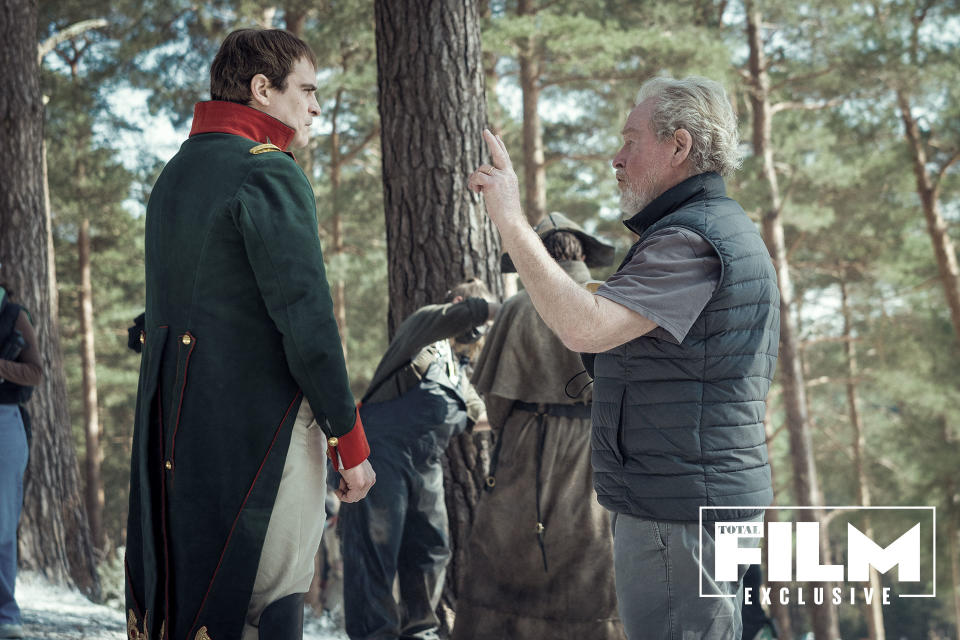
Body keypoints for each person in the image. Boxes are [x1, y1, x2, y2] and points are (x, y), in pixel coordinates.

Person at [468, 75, 779, 640]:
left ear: (679, 146)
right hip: (693, 498)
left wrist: (511, 222)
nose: (616, 157)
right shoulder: (712, 230)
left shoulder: (689, 240)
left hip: (676, 510)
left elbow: (584, 329)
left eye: (630, 140)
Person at [124, 29, 375, 640]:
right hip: (261, 431)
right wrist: (351, 442)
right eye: (308, 91)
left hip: (177, 432)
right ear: (263, 90)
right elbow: (307, 321)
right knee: (270, 598)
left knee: (189, 597)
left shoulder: (177, 171)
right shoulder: (268, 173)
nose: (316, 108)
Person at [452, 214, 625, 640]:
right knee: (596, 553)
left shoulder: (517, 306)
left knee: (509, 551)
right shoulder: (613, 298)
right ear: (581, 252)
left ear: (538, 256)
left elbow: (494, 400)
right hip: (599, 449)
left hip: (527, 444)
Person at [337, 279, 497, 640]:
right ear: (458, 304)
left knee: (432, 548)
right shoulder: (423, 328)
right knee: (375, 550)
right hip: (381, 454)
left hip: (427, 464)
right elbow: (475, 311)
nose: (483, 325)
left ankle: (421, 632)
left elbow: (481, 416)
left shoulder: (459, 373)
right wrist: (507, 310)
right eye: (481, 311)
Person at [0, 281, 41, 640]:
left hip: (3, 419)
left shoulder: (13, 315)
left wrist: (1, 368)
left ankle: (6, 615)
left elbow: (36, 371)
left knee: (2, 520)